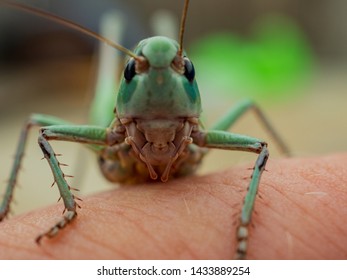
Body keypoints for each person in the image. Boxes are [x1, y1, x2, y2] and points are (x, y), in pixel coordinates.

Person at [0, 153, 346, 259]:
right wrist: (69, 207)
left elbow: (260, 149)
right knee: (40, 123)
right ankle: (67, 210)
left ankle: (244, 224)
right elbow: (44, 132)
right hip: (120, 159)